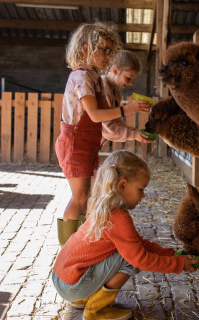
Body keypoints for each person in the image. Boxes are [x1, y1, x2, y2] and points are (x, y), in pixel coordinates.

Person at [52, 150, 199, 320]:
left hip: (63, 278)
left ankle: (83, 299)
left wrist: (171, 254)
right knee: (129, 259)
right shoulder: (119, 218)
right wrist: (178, 264)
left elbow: (137, 242)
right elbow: (140, 258)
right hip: (72, 284)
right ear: (122, 186)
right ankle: (95, 311)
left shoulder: (103, 207)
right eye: (141, 189)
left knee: (127, 251)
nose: (143, 196)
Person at [55, 22, 152, 247]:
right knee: (79, 197)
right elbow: (96, 115)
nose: (108, 56)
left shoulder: (94, 78)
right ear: (86, 48)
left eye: (111, 50)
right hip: (75, 142)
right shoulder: (80, 77)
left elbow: (103, 121)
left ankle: (81, 245)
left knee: (88, 196)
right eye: (104, 50)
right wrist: (127, 109)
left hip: (87, 143)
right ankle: (68, 252)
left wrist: (132, 130)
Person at [101, 50, 152, 144]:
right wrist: (133, 134)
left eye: (132, 79)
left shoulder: (115, 92)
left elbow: (116, 121)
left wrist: (136, 133)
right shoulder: (103, 90)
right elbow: (107, 130)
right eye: (128, 78)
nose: (131, 83)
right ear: (115, 71)